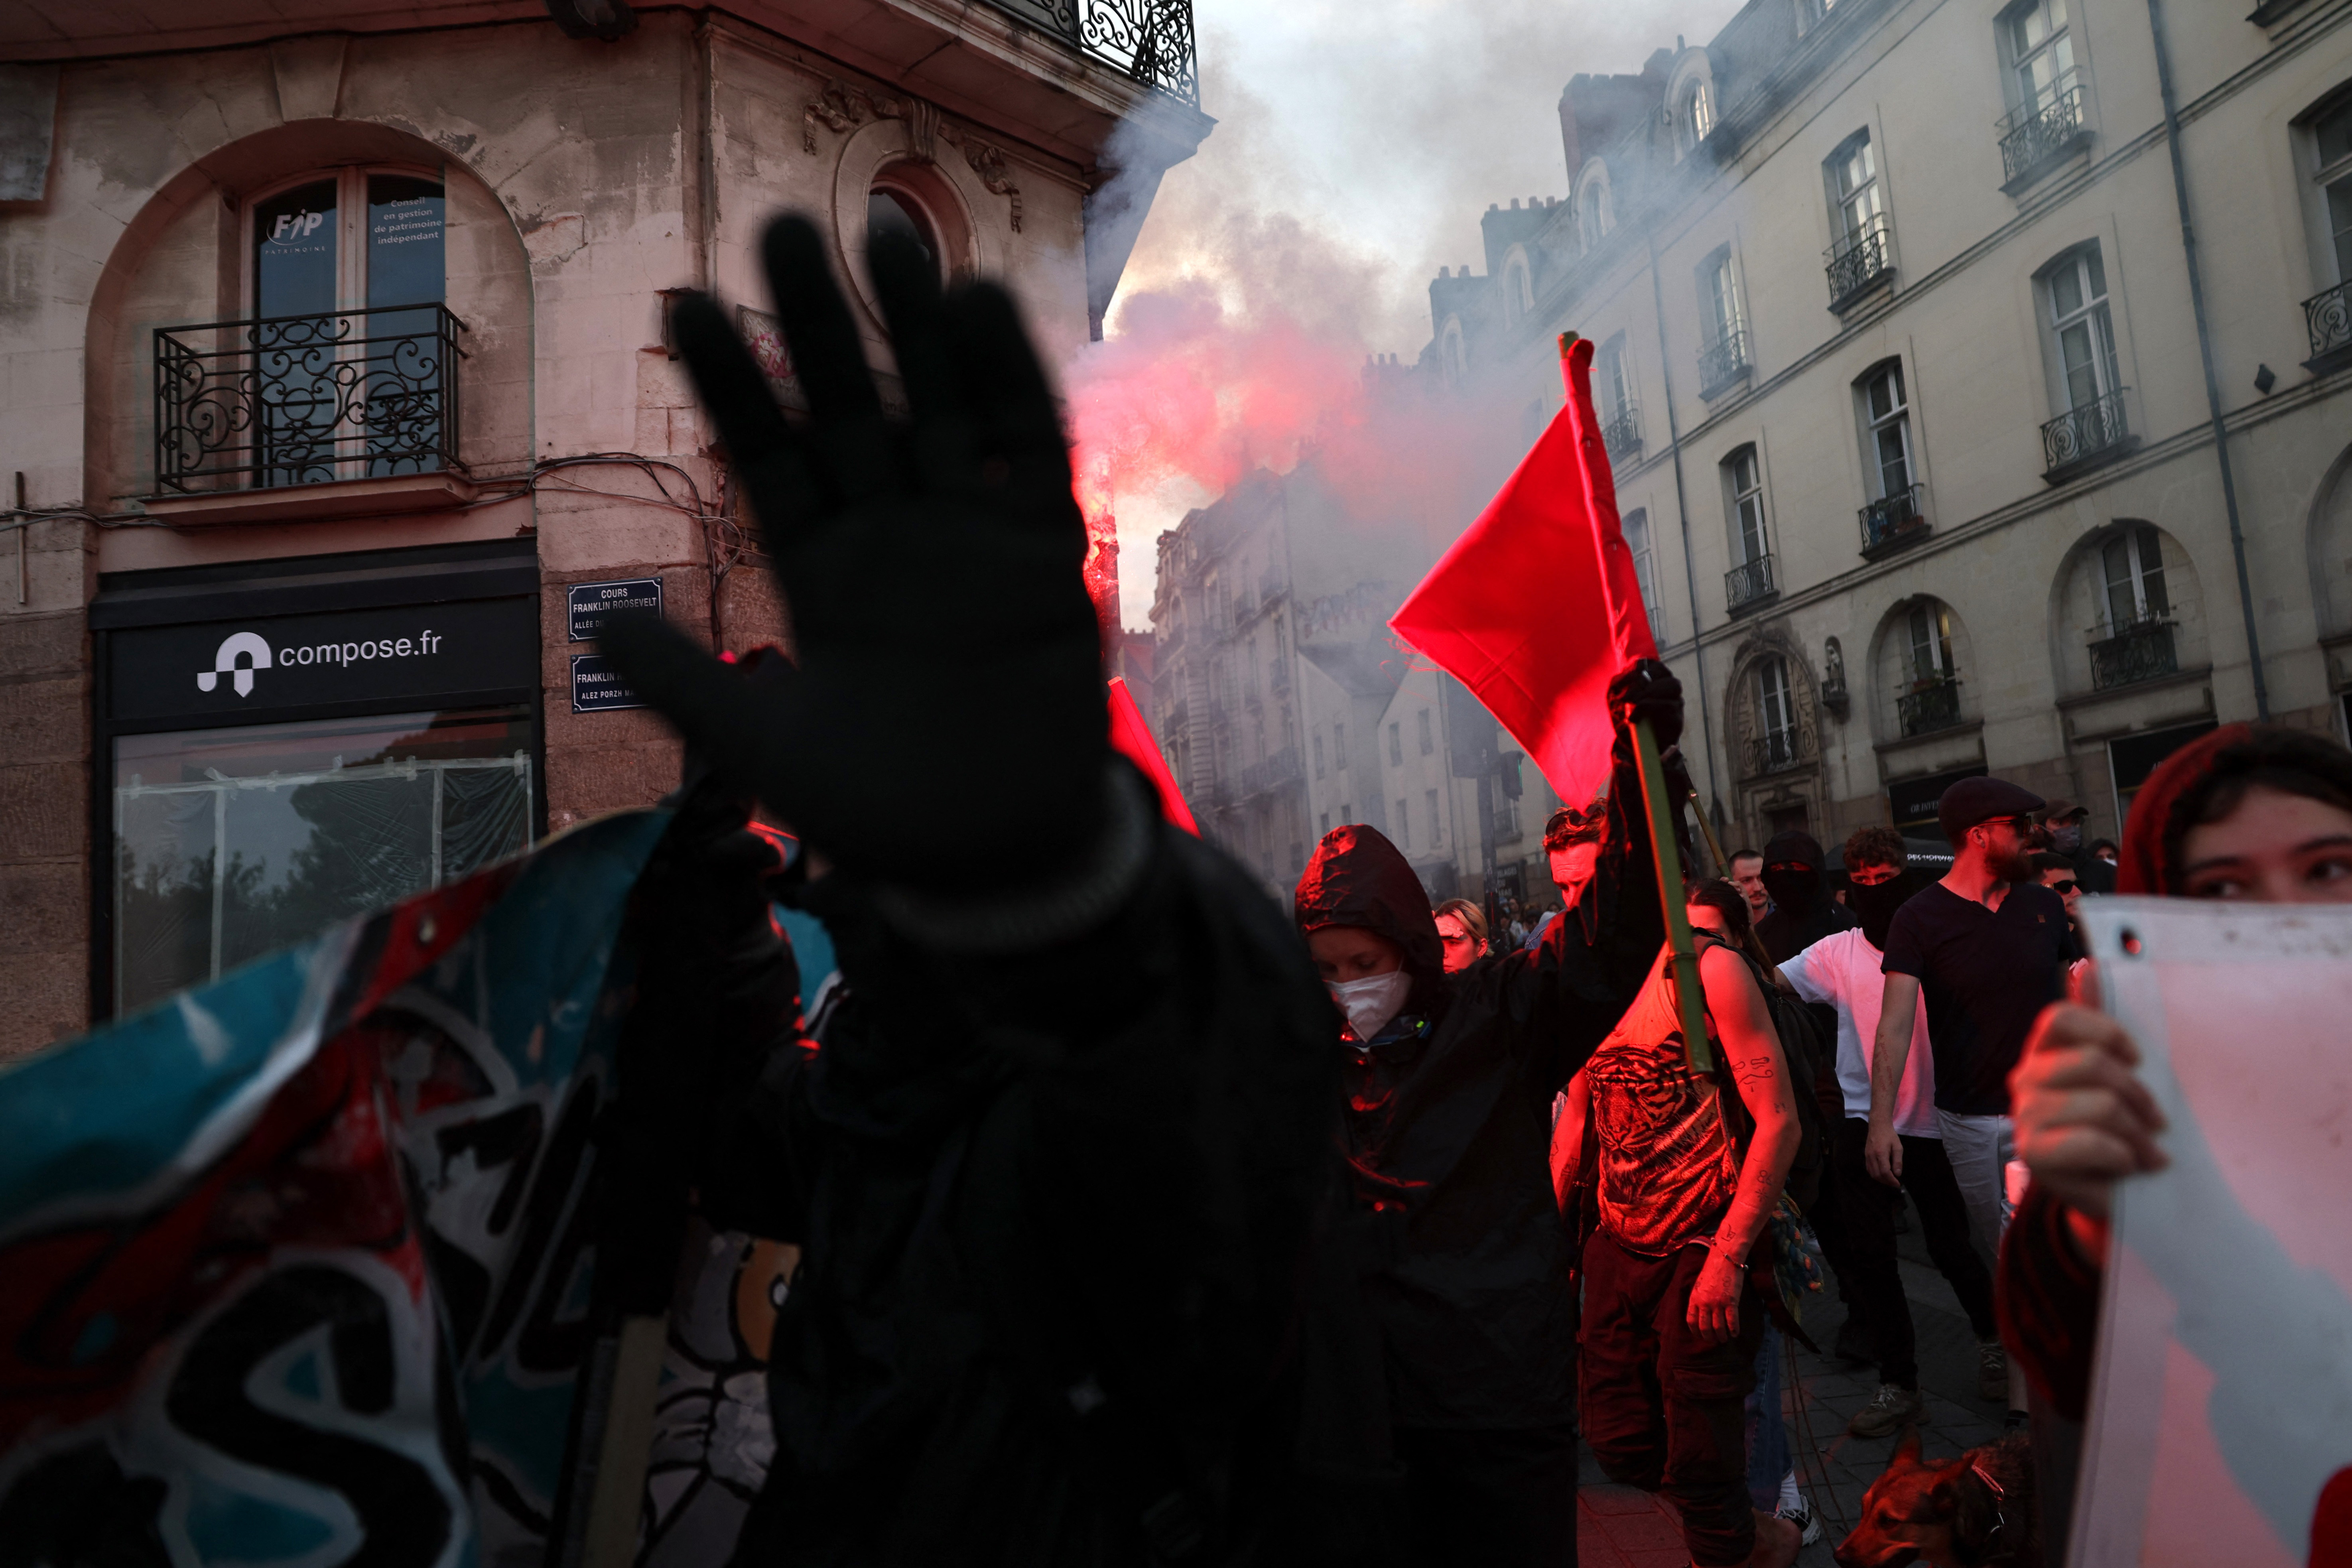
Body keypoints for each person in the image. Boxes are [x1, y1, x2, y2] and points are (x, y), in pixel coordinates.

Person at [599, 215, 1342, 1564]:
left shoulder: (1110, 1092)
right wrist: (715, 899)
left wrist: (1049, 870)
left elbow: (1209, 1089)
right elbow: (748, 1137)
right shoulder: (875, 1081)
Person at [1296, 662, 1688, 1567]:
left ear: (1404, 944)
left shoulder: (1498, 1014)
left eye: (1362, 959)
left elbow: (1617, 932)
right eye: (1324, 968)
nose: (1348, 987)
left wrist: (1644, 767)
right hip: (1365, 1414)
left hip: (1495, 1399)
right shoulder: (1301, 1059)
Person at [1999, 725, 2352, 1552]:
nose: (2286, 916)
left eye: (2327, 869)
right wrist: (2098, 1220)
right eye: (2224, 890)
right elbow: (2077, 1367)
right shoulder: (2138, 1112)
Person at [1562, 878, 1804, 1568]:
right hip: (1614, 1240)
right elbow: (1575, 1122)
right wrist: (1553, 1242)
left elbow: (1777, 1120)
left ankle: (1739, 1546)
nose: (1578, 898)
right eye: (1565, 887)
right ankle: (1761, 1535)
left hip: (1699, 1238)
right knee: (1618, 1441)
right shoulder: (1586, 981)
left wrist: (1729, 1255)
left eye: (1588, 880)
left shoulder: (1707, 967)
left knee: (1702, 1452)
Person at [1779, 828, 2003, 1437]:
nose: (1876, 891)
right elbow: (1769, 983)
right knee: (1872, 1261)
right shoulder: (1836, 952)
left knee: (1953, 1247)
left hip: (1936, 1120)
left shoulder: (1942, 942)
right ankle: (1898, 1383)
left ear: (1905, 876)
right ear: (1849, 887)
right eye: (1864, 882)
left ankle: (1991, 1344)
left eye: (1887, 879)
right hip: (1861, 1121)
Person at [1870, 775, 2072, 1426]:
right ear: (1981, 835)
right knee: (2006, 1256)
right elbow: (1894, 1024)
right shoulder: (1918, 917)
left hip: (2050, 1114)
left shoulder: (2042, 905)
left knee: (2050, 1253)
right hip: (1972, 1124)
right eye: (2021, 825)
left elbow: (2071, 996)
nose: (2035, 836)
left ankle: (2046, 1402)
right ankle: (2029, 1405)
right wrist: (1881, 1123)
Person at [1753, 829, 1859, 965]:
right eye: (1775, 870)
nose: (1783, 875)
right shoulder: (1763, 935)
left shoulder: (1849, 929)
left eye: (1792, 867)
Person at [2041, 798, 2111, 894]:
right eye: (2060, 823)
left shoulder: (2105, 872)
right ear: (2039, 830)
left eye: (2075, 823)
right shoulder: (2033, 875)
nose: (2071, 830)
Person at [1433, 896, 1489, 971]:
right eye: (1436, 944)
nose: (1443, 954)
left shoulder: (1500, 980)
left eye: (1453, 943)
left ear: (1481, 947)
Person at [1730, 848, 1771, 922]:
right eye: (1746, 881)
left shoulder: (1789, 923)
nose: (1758, 888)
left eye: (1762, 878)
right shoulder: (1727, 928)